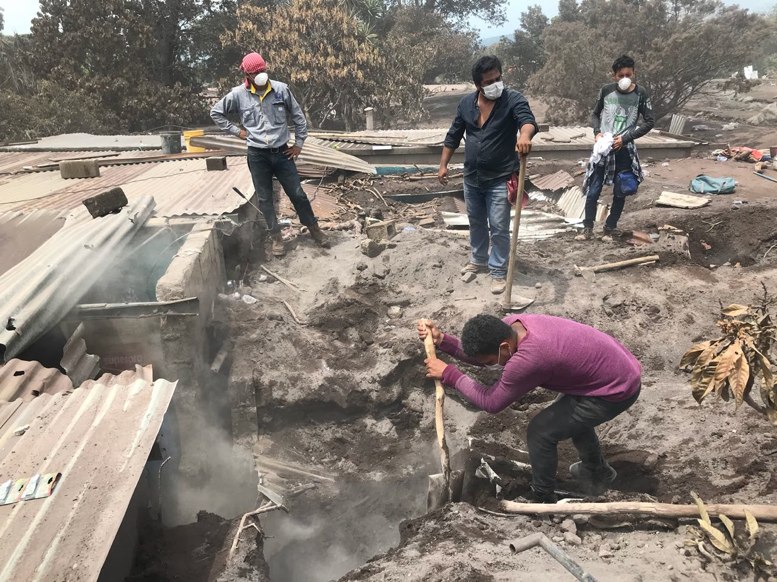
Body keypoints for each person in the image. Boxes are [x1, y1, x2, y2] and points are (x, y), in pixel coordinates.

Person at [418, 314, 641, 503]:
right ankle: (597, 471)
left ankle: (542, 497)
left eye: (489, 361)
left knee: (541, 432)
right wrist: (444, 341)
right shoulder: (510, 326)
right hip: (610, 368)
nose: (488, 366)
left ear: (504, 347)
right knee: (570, 420)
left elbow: (492, 402)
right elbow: (483, 355)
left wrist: (450, 374)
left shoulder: (531, 357)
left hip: (615, 389)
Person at [211, 52, 329, 257]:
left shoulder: (281, 90)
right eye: (255, 72)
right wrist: (237, 131)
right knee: (265, 199)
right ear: (246, 74)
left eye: (262, 70)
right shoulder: (238, 95)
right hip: (258, 155)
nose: (260, 75)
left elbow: (299, 117)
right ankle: (276, 237)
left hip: (283, 153)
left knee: (298, 194)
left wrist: (299, 143)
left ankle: (314, 229)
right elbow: (216, 112)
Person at [439, 56, 538, 295]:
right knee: (476, 222)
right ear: (478, 85)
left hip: (500, 177)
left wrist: (525, 136)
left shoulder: (512, 99)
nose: (496, 84)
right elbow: (453, 135)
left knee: (499, 226)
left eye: (498, 78)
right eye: (489, 81)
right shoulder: (466, 104)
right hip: (472, 177)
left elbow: (527, 121)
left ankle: (498, 270)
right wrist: (443, 165)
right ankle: (478, 259)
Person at [580, 54, 655, 240]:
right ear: (614, 76)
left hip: (624, 149)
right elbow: (595, 114)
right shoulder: (606, 91)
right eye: (620, 75)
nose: (624, 79)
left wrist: (626, 138)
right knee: (593, 189)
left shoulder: (641, 94)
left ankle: (610, 227)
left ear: (634, 73)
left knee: (621, 190)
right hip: (604, 148)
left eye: (627, 75)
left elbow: (649, 121)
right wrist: (597, 132)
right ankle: (587, 228)